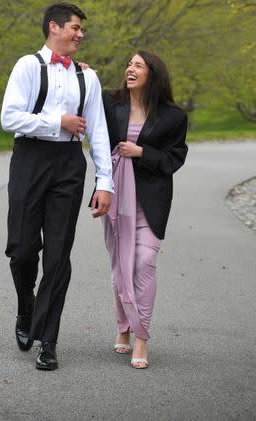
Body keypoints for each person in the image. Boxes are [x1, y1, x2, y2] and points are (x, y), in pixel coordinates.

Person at [0, 2, 113, 371]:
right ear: (54, 27)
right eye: (75, 28)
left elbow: (97, 130)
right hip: (30, 160)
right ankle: (25, 308)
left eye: (81, 29)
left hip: (68, 165)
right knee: (21, 248)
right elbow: (9, 116)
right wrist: (57, 121)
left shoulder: (88, 78)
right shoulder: (27, 66)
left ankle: (48, 341)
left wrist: (104, 181)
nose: (80, 34)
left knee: (59, 255)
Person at [99, 50, 188, 369]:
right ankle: (122, 328)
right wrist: (79, 71)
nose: (130, 69)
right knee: (121, 266)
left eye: (138, 65)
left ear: (153, 74)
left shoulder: (174, 116)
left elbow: (174, 159)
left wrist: (141, 152)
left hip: (151, 200)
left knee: (144, 262)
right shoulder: (112, 104)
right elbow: (92, 124)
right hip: (116, 197)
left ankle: (141, 337)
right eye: (129, 64)